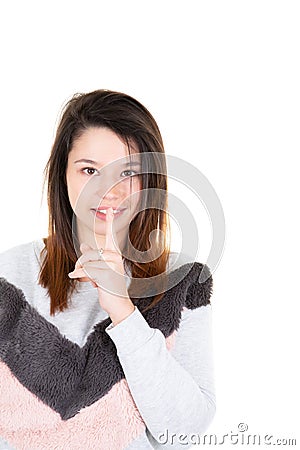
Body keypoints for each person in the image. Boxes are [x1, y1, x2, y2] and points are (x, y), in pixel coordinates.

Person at [0, 89, 216, 450]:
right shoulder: (7, 275)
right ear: (62, 174)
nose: (108, 190)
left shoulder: (185, 280)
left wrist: (123, 310)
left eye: (127, 172)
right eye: (89, 170)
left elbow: (185, 432)